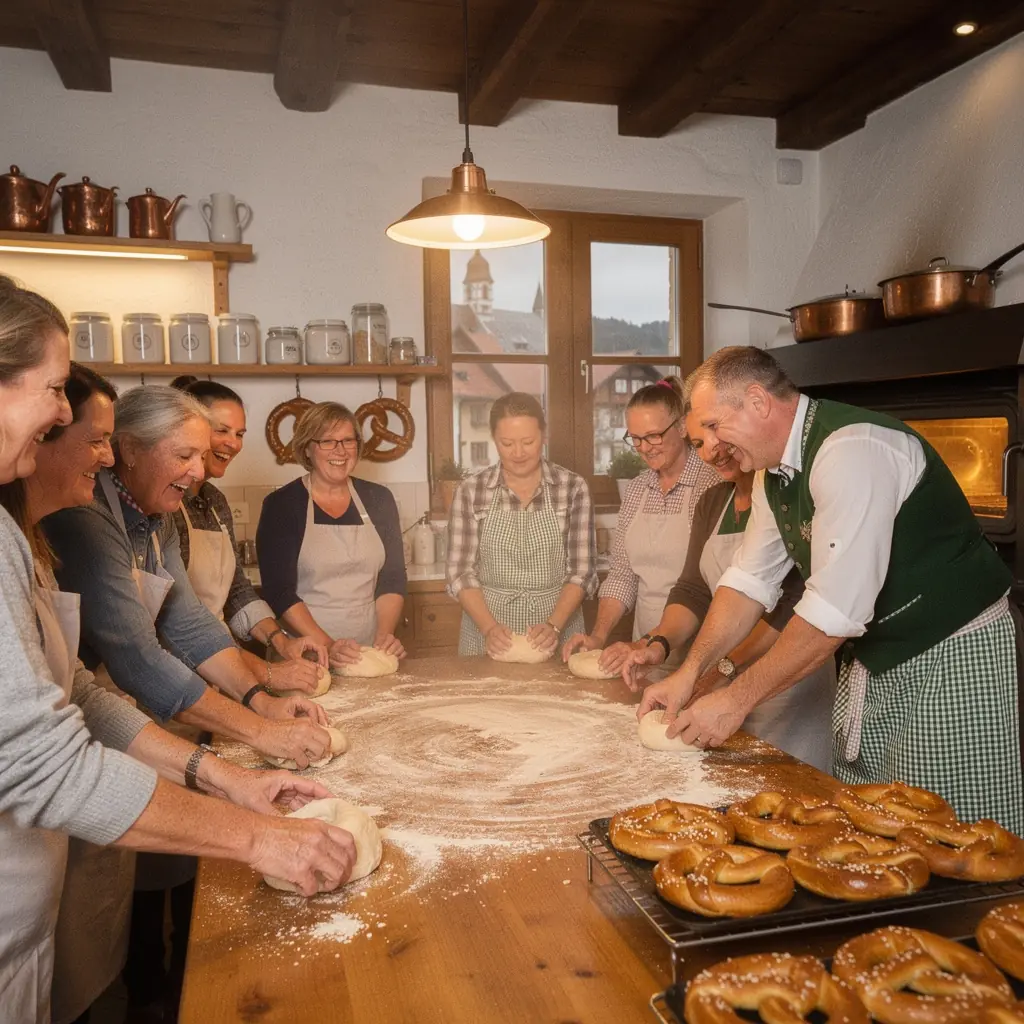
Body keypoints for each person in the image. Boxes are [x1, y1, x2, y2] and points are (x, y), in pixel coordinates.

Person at [0, 277, 356, 1024]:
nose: (67, 419)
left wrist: (230, 764)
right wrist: (259, 829)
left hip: (39, 872)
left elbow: (91, 688)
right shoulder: (61, 524)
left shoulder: (30, 534)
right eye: (58, 393)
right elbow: (82, 712)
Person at [640, 345, 1022, 833]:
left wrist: (735, 700)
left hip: (950, 651)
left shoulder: (851, 450)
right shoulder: (770, 475)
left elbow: (833, 611)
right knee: (877, 823)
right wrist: (692, 673)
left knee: (952, 828)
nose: (711, 446)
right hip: (877, 656)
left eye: (715, 426)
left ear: (757, 401)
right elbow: (748, 583)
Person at [608, 405, 834, 771]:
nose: (713, 451)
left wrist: (717, 671)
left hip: (786, 684)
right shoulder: (713, 502)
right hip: (721, 684)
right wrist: (659, 644)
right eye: (699, 442)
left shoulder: (791, 500)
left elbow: (792, 603)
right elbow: (693, 590)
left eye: (718, 435)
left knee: (785, 797)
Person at [168, 375, 326, 694]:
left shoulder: (215, 503)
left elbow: (238, 591)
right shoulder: (166, 505)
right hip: (179, 671)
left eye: (239, 434)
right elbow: (175, 617)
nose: (234, 444)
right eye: (222, 430)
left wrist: (281, 642)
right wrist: (266, 672)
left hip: (224, 665)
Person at [562, 377, 718, 672]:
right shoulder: (636, 490)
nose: (645, 448)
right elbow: (623, 576)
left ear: (682, 426)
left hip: (701, 654)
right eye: (635, 438)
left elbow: (710, 587)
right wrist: (598, 636)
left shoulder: (711, 484)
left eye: (653, 436)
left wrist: (655, 642)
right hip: (641, 654)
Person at [256, 401, 407, 668]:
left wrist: (385, 636)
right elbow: (279, 592)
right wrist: (327, 645)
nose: (340, 450)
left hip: (367, 652)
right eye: (328, 441)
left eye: (348, 441)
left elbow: (392, 577)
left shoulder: (379, 498)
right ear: (307, 449)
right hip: (306, 654)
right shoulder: (282, 504)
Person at [447, 392, 597, 656]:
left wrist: (554, 626)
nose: (518, 453)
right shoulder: (471, 491)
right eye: (507, 443)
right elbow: (460, 573)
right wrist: (489, 629)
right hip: (487, 632)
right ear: (494, 439)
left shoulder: (572, 488)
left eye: (528, 442)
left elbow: (581, 572)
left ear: (544, 436)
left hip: (558, 629)